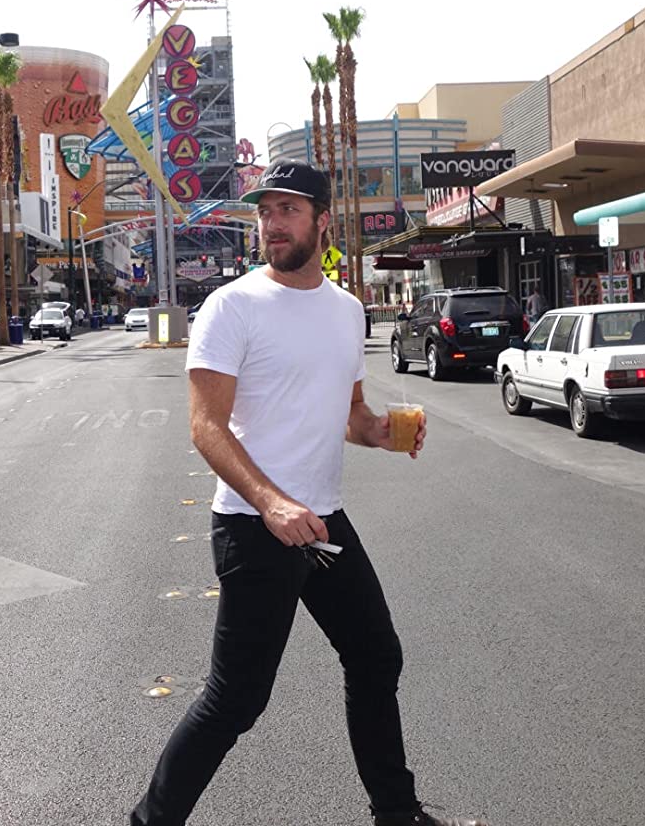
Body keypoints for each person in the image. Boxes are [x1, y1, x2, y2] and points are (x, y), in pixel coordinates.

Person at [129, 160, 487, 826]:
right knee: (236, 700)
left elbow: (350, 414)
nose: (272, 223)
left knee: (375, 656)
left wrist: (384, 433)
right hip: (253, 524)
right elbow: (206, 427)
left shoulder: (346, 312)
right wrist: (271, 502)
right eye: (265, 211)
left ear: (323, 222)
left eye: (288, 210)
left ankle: (396, 812)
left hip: (322, 523)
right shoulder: (231, 307)